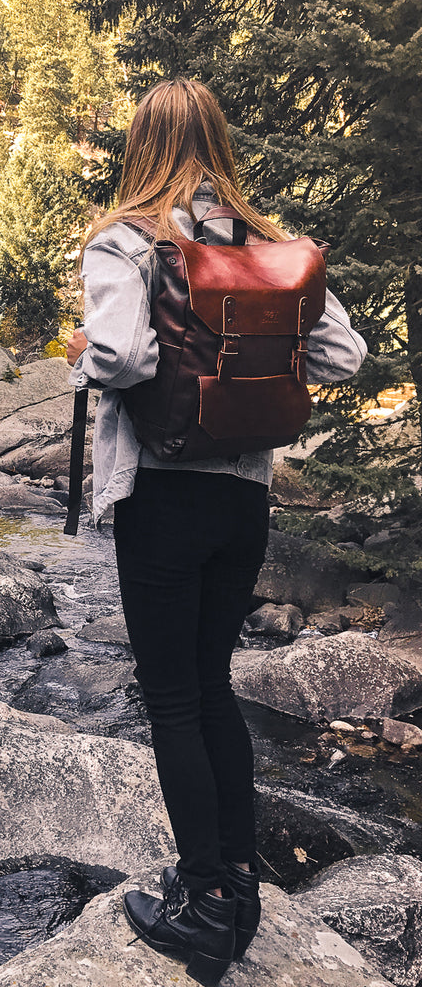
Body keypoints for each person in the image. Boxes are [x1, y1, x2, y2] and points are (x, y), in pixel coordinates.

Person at [65, 78, 366, 987]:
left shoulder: (126, 241)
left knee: (171, 701)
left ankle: (200, 906)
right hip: (244, 498)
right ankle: (238, 887)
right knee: (213, 687)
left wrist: (87, 354)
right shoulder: (274, 250)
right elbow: (344, 358)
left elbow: (121, 355)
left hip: (161, 493)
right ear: (219, 143)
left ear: (141, 145)